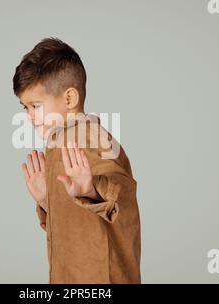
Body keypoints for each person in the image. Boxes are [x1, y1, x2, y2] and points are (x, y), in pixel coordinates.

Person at [13, 37, 141, 283]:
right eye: (25, 108)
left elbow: (123, 192)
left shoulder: (90, 136)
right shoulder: (59, 142)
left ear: (69, 99)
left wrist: (93, 189)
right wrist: (48, 201)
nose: (29, 117)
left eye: (35, 106)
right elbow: (79, 221)